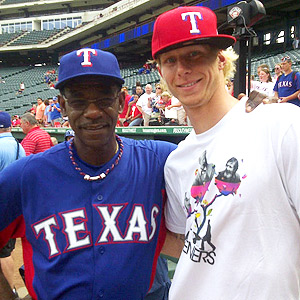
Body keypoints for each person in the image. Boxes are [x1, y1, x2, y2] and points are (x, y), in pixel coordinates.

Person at [0, 48, 177, 300]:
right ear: (62, 105)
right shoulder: (28, 174)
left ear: (120, 101)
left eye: (104, 99)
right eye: (78, 101)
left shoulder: (159, 160)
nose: (92, 112)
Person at [152, 6, 300, 299]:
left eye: (195, 54)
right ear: (161, 71)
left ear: (221, 59)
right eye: (171, 60)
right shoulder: (177, 161)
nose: (183, 69)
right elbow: (186, 240)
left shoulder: (281, 124)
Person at [0, 111, 26, 298]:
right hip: (16, 203)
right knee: (6, 251)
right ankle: (13, 290)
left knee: (3, 253)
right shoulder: (19, 146)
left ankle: (9, 291)